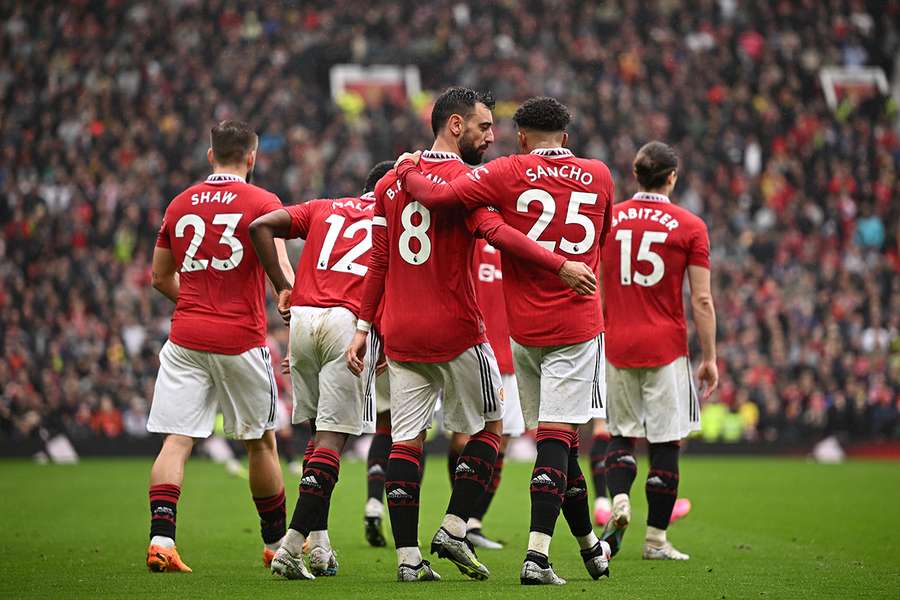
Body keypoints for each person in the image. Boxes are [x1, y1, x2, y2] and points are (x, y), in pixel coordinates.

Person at [345, 88, 595, 583]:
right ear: (455, 126)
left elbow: (378, 261)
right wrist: (561, 265)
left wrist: (363, 326)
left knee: (405, 442)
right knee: (491, 428)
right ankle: (456, 526)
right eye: (484, 126)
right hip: (457, 329)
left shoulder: (391, 184)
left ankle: (408, 560)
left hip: (400, 332)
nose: (491, 136)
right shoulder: (469, 181)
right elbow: (501, 234)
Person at [145, 120, 295, 573]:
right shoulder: (263, 202)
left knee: (177, 439)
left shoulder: (180, 203)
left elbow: (158, 277)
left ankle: (162, 541)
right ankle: (274, 545)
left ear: (210, 156)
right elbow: (281, 281)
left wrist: (193, 302)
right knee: (261, 443)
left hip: (186, 337)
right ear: (252, 157)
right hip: (240, 339)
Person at [249, 160, 394, 579]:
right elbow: (390, 282)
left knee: (317, 439)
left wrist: (282, 285)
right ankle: (292, 547)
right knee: (333, 440)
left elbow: (260, 225)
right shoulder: (392, 222)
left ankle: (321, 545)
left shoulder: (322, 207)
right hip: (346, 324)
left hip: (304, 320)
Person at [599, 141, 718, 561]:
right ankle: (655, 540)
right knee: (666, 443)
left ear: (635, 175)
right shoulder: (690, 225)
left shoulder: (609, 219)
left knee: (620, 435)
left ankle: (618, 500)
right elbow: (701, 300)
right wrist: (709, 358)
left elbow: (596, 284)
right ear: (672, 176)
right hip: (665, 346)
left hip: (616, 343)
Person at [444, 238, 528, 550]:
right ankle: (459, 518)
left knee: (501, 441)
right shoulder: (471, 238)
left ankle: (472, 522)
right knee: (463, 439)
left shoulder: (521, 238)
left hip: (513, 352)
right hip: (471, 349)